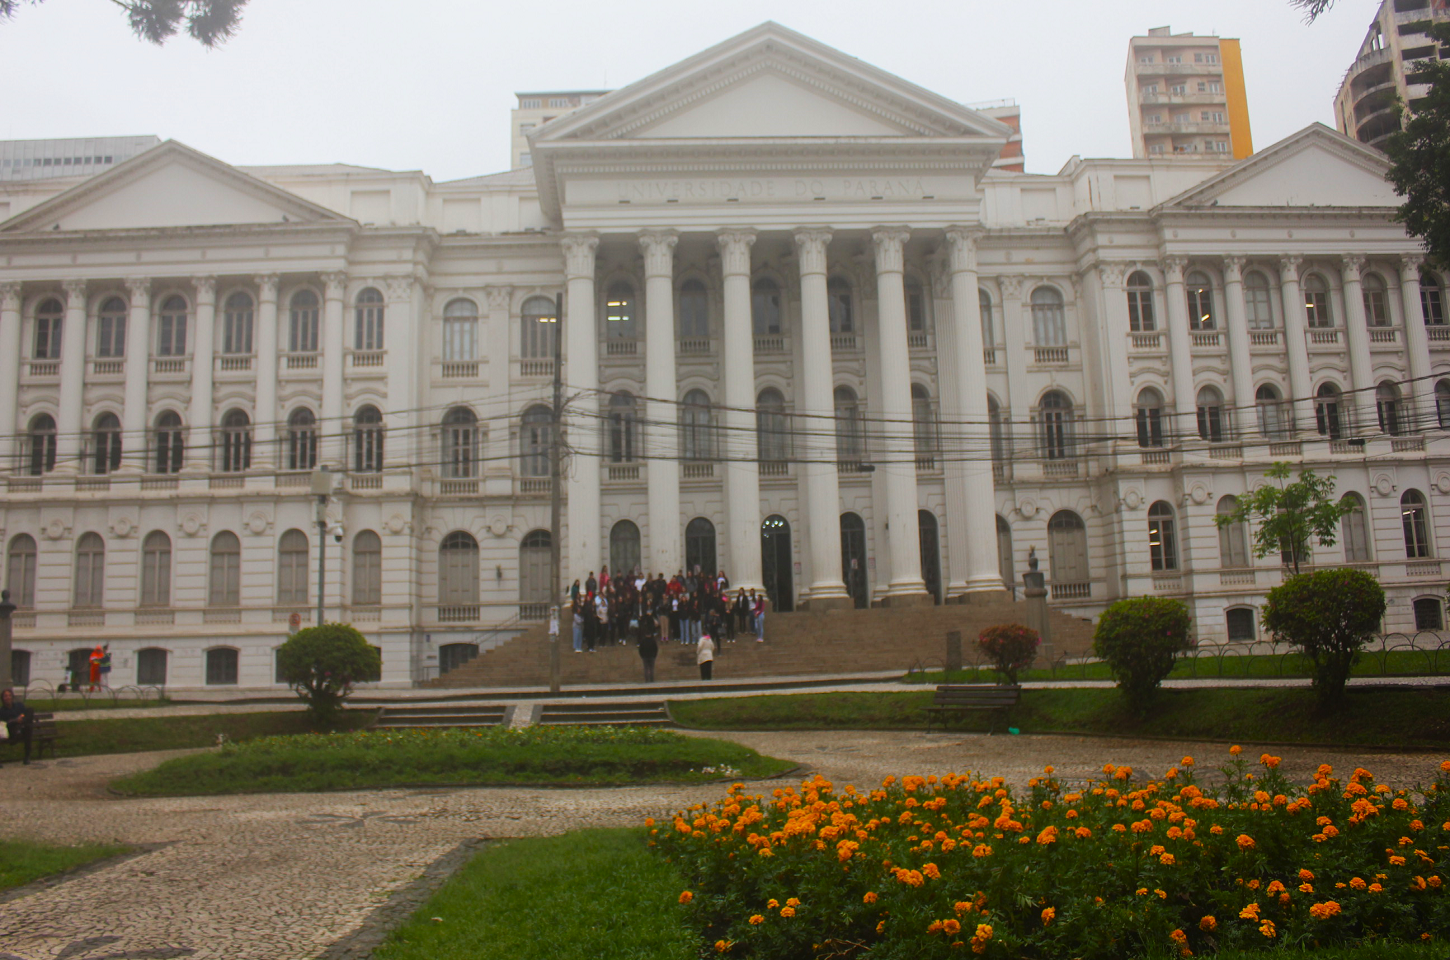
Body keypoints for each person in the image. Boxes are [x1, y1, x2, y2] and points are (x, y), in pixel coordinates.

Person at [0, 689, 36, 765]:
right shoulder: (2, 711)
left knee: (30, 711)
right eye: (5, 696)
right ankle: (27, 756)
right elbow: (3, 724)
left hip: (23, 728)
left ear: (12, 697)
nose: (8, 697)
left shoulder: (19, 706)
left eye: (9, 695)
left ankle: (27, 757)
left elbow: (25, 714)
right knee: (26, 728)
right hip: (12, 730)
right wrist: (15, 720)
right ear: (3, 699)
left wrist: (22, 719)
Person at [637, 611, 659, 683]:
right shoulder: (653, 641)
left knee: (646, 669)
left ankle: (647, 680)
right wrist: (654, 655)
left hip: (645, 657)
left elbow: (640, 650)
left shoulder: (643, 641)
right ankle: (651, 680)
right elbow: (656, 649)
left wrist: (642, 656)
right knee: (651, 669)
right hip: (651, 656)